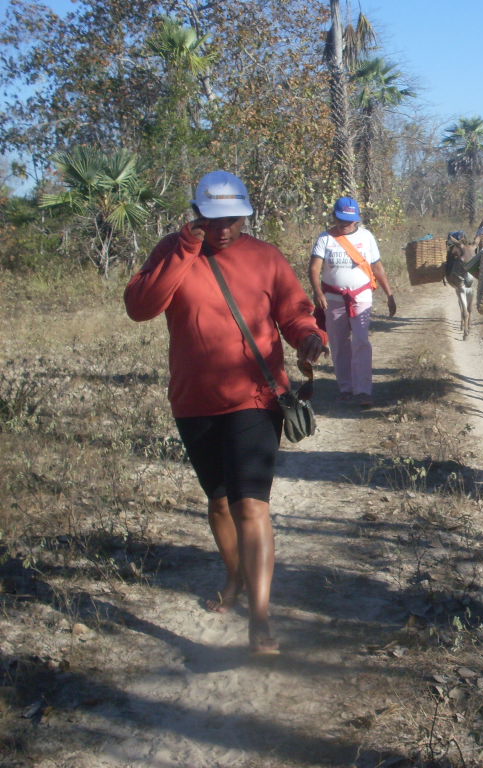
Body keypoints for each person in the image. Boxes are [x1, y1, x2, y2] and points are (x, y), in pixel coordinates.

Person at [124, 170, 328, 655]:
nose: (224, 229)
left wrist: (307, 337)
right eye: (213, 219)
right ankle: (234, 579)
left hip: (256, 398)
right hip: (194, 401)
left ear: (246, 214)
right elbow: (140, 307)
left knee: (251, 506)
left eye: (234, 219)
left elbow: (294, 310)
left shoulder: (265, 256)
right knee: (218, 503)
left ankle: (260, 620)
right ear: (195, 214)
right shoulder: (172, 252)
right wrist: (182, 251)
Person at [308, 196, 397, 407]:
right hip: (333, 299)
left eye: (349, 221)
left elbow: (377, 268)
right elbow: (314, 268)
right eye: (341, 220)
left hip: (361, 297)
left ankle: (363, 390)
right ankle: (346, 388)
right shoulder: (325, 238)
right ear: (334, 217)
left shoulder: (367, 237)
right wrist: (318, 292)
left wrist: (390, 295)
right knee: (339, 344)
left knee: (361, 341)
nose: (345, 225)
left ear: (356, 220)